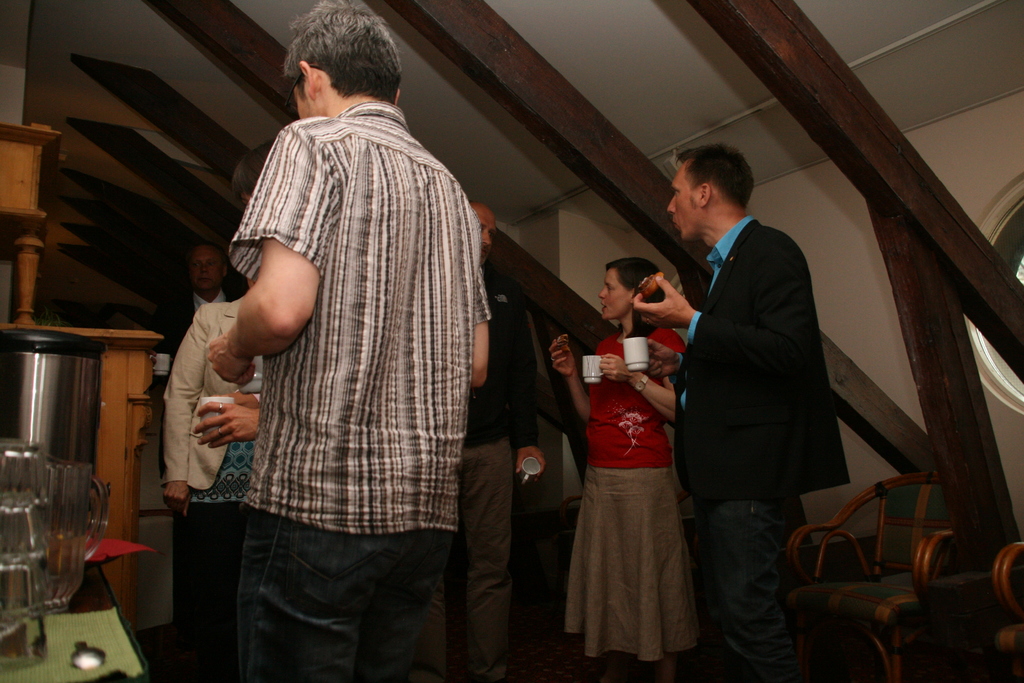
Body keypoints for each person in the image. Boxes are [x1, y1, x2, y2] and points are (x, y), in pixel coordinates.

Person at [207, 2, 490, 680]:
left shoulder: (311, 142)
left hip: (321, 501)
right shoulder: (451, 189)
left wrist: (235, 349)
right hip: (423, 515)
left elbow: (279, 310)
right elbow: (476, 363)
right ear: (395, 89)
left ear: (311, 76)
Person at [633, 143, 849, 683]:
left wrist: (691, 321)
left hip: (747, 470)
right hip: (721, 470)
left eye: (676, 193)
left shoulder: (770, 250)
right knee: (732, 616)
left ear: (704, 193)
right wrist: (682, 363)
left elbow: (789, 350)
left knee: (750, 617)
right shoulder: (725, 265)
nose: (670, 206)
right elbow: (743, 363)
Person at [410, 202, 545, 683]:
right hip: (430, 447)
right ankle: (425, 675)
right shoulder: (420, 283)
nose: (484, 238)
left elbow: (522, 372)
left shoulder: (508, 291)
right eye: (476, 228)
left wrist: (526, 441)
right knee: (423, 569)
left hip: (490, 448)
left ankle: (489, 673)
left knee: (491, 568)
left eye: (491, 232)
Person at [548, 257, 698, 683]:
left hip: (643, 475)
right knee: (611, 576)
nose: (601, 294)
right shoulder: (603, 347)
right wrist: (571, 376)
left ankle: (664, 673)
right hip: (600, 476)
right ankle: (616, 666)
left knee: (656, 572)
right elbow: (592, 416)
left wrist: (633, 378)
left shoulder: (665, 341)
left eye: (609, 286)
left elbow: (679, 413)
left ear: (635, 294)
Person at [162, 299, 257, 683]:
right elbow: (180, 395)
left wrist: (257, 404)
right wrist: (176, 473)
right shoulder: (211, 317)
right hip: (213, 480)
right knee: (216, 600)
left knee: (269, 600)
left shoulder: (302, 318)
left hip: (279, 485)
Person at [151, 243, 233, 357]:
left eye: (210, 263)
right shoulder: (168, 313)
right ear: (189, 271)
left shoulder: (242, 307)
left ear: (224, 270)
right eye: (196, 264)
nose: (203, 269)